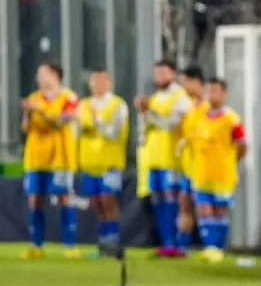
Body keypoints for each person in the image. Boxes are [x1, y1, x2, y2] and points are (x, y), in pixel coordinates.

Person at [20, 62, 80, 259]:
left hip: (59, 156)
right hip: (36, 156)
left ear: (55, 75)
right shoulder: (34, 98)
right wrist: (28, 113)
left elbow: (63, 120)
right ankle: (36, 245)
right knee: (34, 198)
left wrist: (42, 110)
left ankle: (70, 245)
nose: (38, 78)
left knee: (64, 197)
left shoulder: (68, 97)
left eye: (42, 73)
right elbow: (26, 128)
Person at [136, 60, 192, 257]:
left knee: (172, 201)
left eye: (163, 72)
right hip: (154, 159)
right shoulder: (155, 98)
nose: (159, 77)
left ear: (173, 74)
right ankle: (167, 243)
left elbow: (170, 124)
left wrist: (148, 112)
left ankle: (178, 244)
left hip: (172, 158)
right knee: (158, 201)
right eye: (157, 73)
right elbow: (146, 129)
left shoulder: (181, 97)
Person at [189, 78, 246, 263]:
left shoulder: (231, 118)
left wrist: (230, 160)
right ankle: (210, 247)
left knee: (220, 212)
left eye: (215, 91)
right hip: (201, 172)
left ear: (224, 94)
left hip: (223, 174)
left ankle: (219, 248)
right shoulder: (199, 115)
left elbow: (243, 145)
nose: (211, 94)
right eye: (209, 91)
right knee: (204, 210)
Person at [77, 69, 129, 252]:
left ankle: (113, 242)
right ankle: (103, 243)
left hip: (110, 163)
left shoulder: (117, 105)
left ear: (109, 82)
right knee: (96, 203)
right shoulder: (83, 105)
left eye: (101, 80)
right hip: (89, 162)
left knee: (109, 201)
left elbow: (113, 133)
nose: (97, 84)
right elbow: (78, 129)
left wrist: (95, 121)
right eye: (94, 80)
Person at [176, 66, 207, 253]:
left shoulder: (207, 107)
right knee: (184, 203)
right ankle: (182, 246)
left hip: (204, 168)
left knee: (206, 207)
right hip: (189, 166)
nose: (183, 87)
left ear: (196, 81)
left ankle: (212, 246)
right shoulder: (190, 107)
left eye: (185, 82)